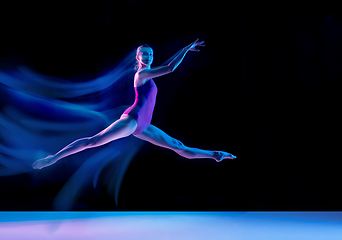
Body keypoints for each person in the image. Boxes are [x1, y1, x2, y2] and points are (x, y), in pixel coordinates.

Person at [32, 39, 236, 169]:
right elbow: (170, 67)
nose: (148, 57)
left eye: (150, 54)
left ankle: (215, 155)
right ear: (138, 58)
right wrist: (185, 49)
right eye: (144, 54)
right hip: (132, 120)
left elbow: (166, 67)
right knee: (94, 141)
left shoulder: (148, 74)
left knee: (178, 146)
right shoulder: (142, 73)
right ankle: (53, 158)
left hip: (144, 125)